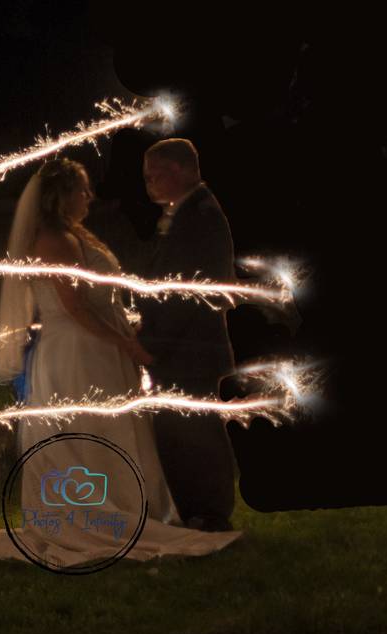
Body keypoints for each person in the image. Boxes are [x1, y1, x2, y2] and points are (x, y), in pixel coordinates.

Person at [0, 159, 241, 567]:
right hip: (78, 351)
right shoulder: (54, 240)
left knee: (109, 426)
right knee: (87, 430)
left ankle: (128, 503)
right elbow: (74, 308)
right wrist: (125, 343)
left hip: (94, 347)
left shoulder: (72, 234)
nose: (90, 197)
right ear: (63, 195)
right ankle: (95, 515)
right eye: (83, 190)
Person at [137, 139, 238, 532]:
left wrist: (152, 347)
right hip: (183, 347)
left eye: (153, 174)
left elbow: (188, 294)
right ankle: (193, 507)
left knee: (195, 432)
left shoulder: (201, 216)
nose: (147, 184)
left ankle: (210, 512)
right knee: (179, 431)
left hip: (189, 348)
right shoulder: (187, 214)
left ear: (176, 171)